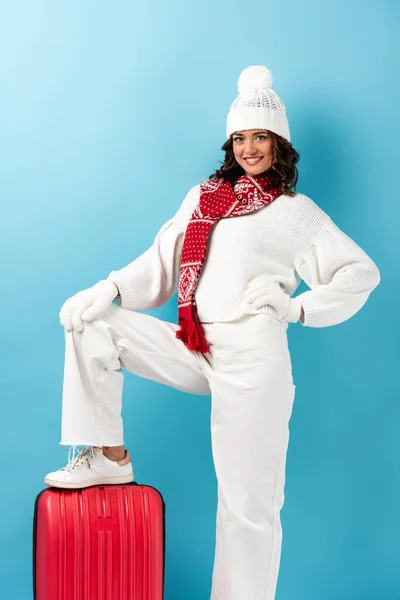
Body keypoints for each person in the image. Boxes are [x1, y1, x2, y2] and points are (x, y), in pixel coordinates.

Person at [44, 65, 381, 600]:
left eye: (261, 137)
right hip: (194, 342)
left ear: (279, 144)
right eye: (240, 137)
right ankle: (109, 459)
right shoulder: (203, 198)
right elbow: (159, 266)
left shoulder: (296, 214)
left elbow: (361, 273)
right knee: (91, 324)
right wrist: (107, 289)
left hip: (254, 359)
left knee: (248, 507)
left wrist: (295, 309)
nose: (249, 148)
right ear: (231, 143)